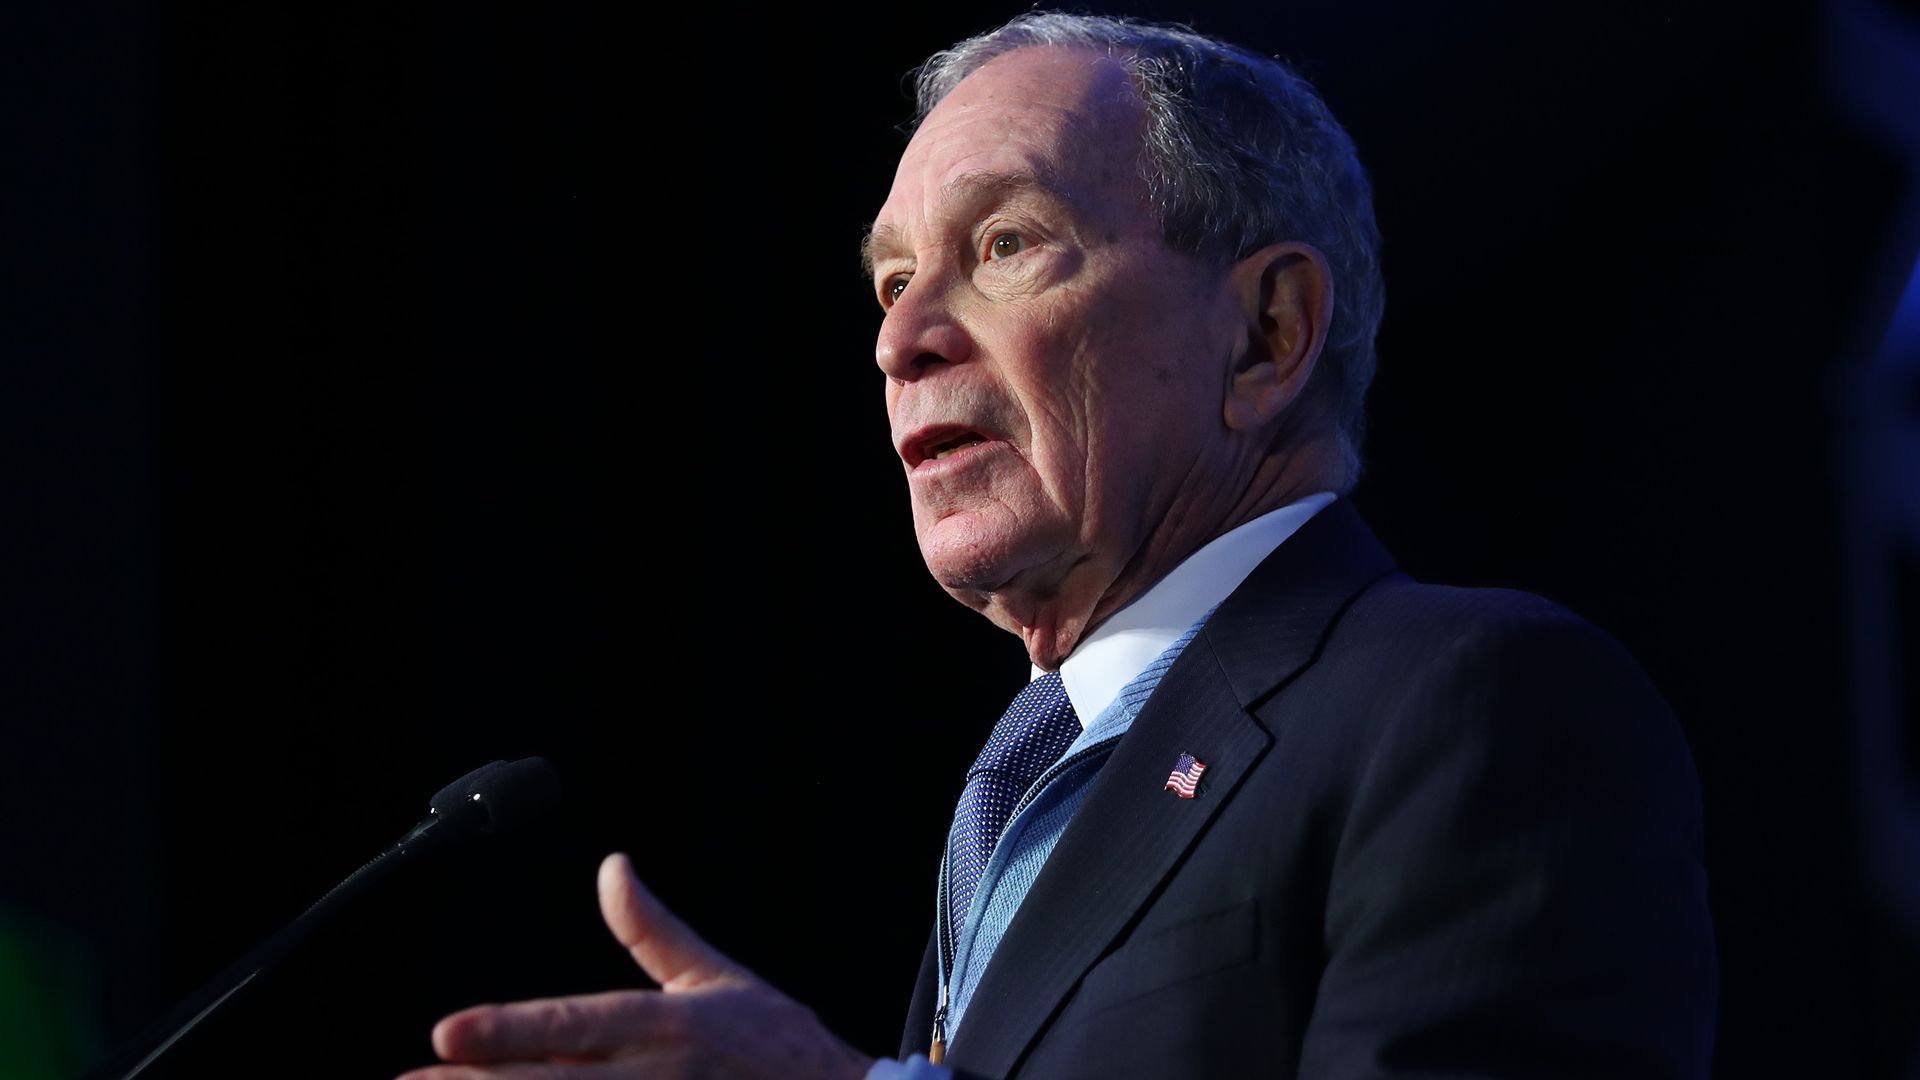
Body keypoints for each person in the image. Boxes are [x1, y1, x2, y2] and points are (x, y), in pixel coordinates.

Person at [397, 13, 1717, 1080]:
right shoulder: (1024, 784)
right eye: (894, 280)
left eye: (1006, 246)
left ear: (1266, 335)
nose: (899, 341)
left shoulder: (1475, 701)